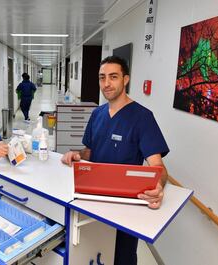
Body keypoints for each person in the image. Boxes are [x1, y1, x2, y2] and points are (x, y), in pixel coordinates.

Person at [61, 56, 170, 265]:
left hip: (125, 205)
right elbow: (89, 153)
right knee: (93, 252)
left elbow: (158, 167)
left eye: (113, 77)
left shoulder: (142, 117)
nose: (106, 84)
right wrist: (76, 155)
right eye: (102, 78)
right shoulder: (97, 114)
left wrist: (158, 185)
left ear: (125, 79)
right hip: (94, 199)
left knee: (123, 257)